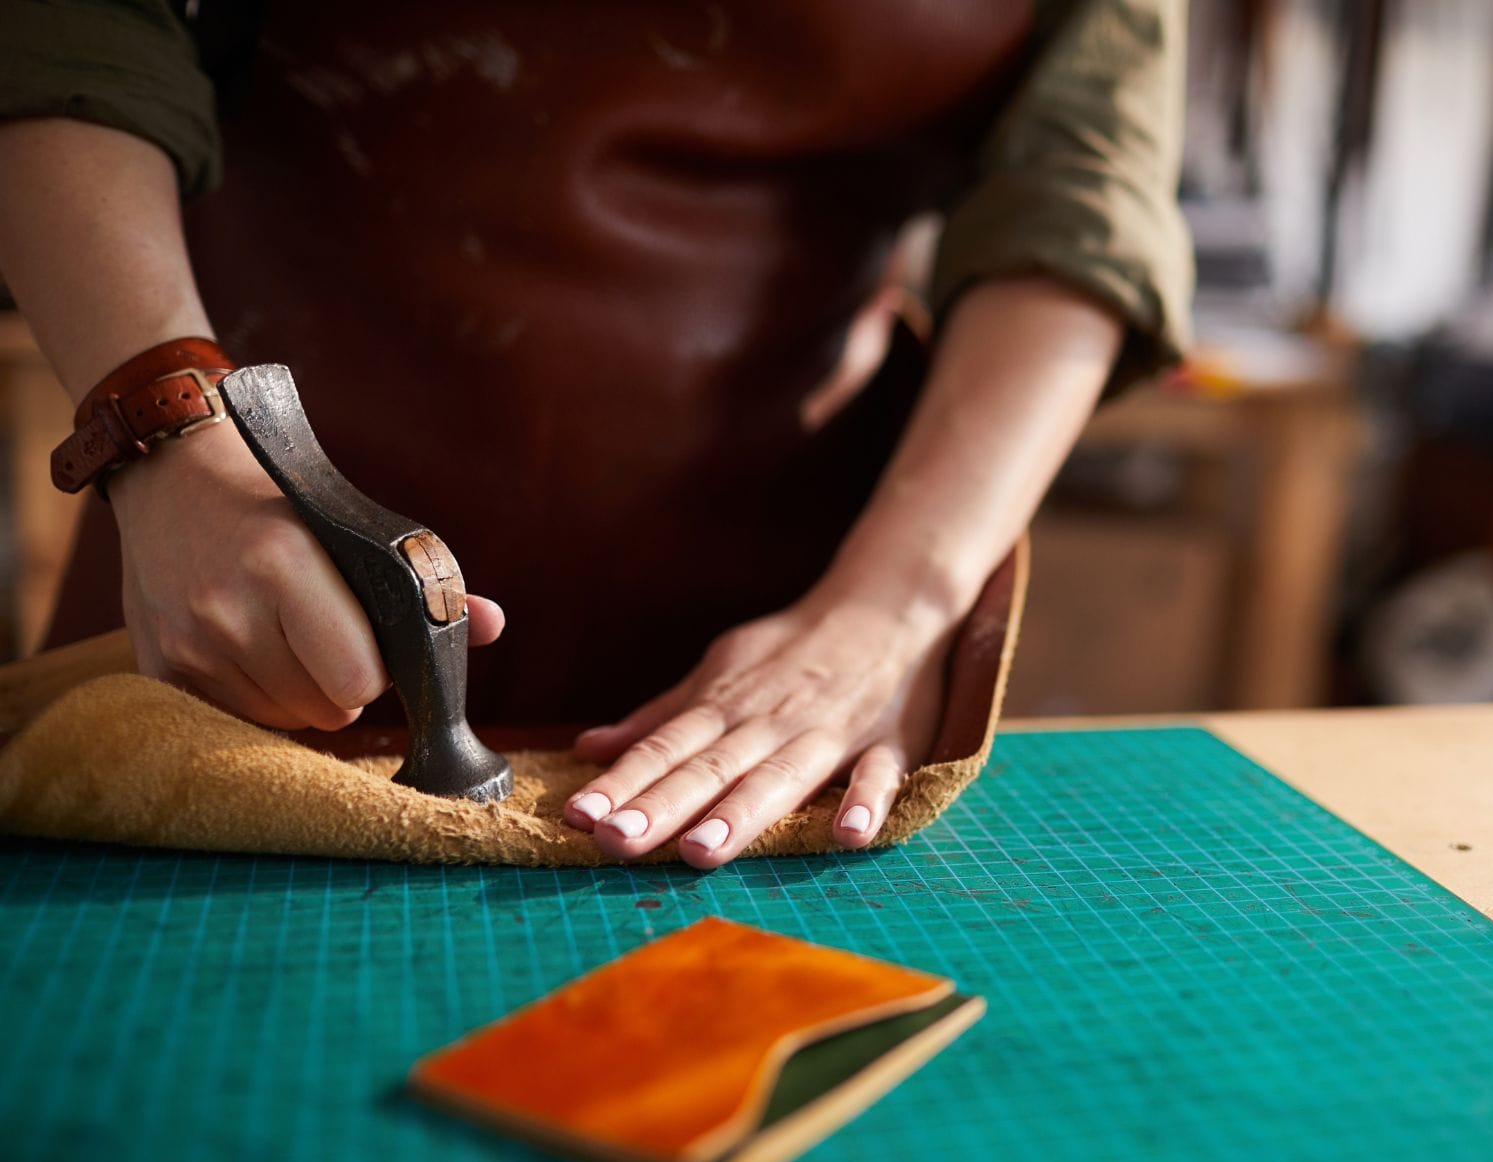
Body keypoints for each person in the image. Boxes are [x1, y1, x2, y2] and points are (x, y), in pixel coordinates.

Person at [0, 0, 1192, 867]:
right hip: (228, 568)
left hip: (791, 644)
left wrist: (895, 605)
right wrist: (161, 424)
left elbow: (1076, 204)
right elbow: (65, 33)